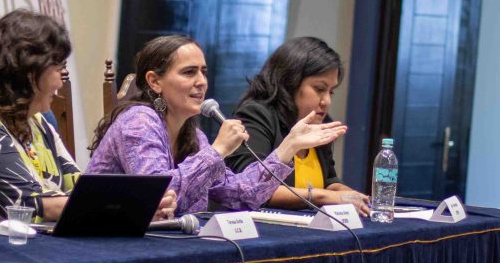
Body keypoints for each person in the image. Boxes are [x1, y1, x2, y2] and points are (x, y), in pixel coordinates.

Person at [0, 9, 176, 230]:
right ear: (27, 72)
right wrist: (130, 205)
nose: (60, 81)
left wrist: (144, 202)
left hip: (26, 253)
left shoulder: (38, 123)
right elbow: (26, 204)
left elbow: (80, 188)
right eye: (57, 69)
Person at [86, 35, 347, 214]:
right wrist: (218, 150)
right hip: (104, 242)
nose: (201, 82)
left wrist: (288, 147)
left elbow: (240, 195)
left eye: (204, 72)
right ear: (155, 81)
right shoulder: (138, 121)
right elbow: (156, 194)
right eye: (189, 72)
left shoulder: (194, 135)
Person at [226, 37, 370, 215]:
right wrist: (323, 197)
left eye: (331, 92)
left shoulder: (319, 122)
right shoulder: (257, 115)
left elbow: (329, 181)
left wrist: (352, 196)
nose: (327, 101)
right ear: (290, 83)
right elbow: (249, 188)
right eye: (319, 89)